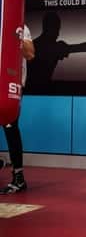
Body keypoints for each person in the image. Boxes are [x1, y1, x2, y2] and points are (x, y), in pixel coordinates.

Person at [26, 11, 86, 93]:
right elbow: (82, 47)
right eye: (56, 29)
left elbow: (82, 47)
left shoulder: (33, 45)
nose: (58, 33)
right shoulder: (53, 47)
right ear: (49, 27)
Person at [1, 25, 35, 194]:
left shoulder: (20, 27)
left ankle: (19, 178)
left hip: (11, 83)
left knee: (10, 126)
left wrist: (15, 38)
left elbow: (29, 54)